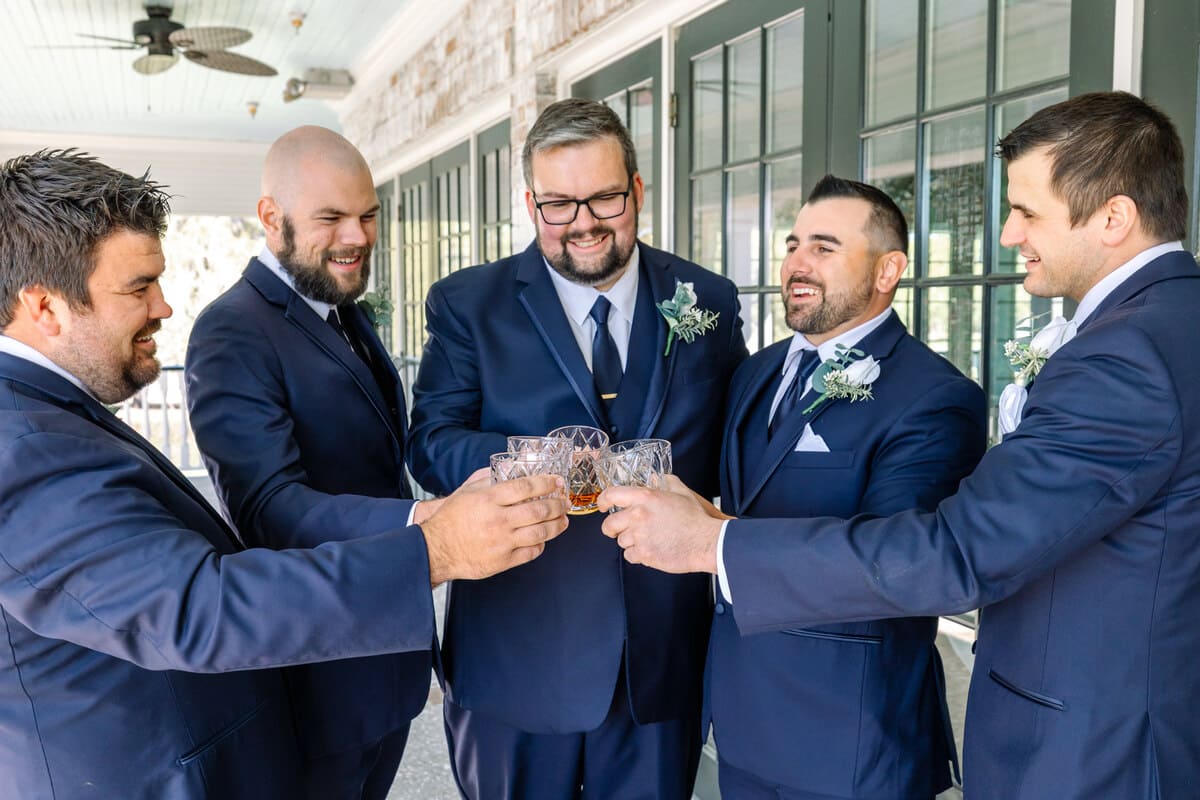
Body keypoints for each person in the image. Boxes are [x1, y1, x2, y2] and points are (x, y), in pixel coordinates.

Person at [600, 90, 1200, 799]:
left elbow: (958, 551)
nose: (1009, 235)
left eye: (1028, 212)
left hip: (1101, 748)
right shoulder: (1165, 324)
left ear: (1115, 217)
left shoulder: (1126, 353)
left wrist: (712, 543)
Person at [0, 149, 567, 800]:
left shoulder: (52, 409)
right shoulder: (20, 447)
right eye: (138, 287)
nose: (164, 308)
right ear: (44, 308)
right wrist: (433, 545)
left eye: (368, 215)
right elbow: (197, 602)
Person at [406, 98, 748, 798]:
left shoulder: (705, 298)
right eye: (559, 204)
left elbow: (736, 442)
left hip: (662, 657)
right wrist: (551, 467)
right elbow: (431, 443)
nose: (583, 222)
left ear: (638, 191)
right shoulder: (468, 303)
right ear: (532, 205)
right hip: (519, 647)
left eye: (604, 198)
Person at [699, 174, 986, 799]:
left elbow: (899, 564)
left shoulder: (935, 398)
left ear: (888, 270)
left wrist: (714, 539)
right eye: (793, 243)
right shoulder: (756, 372)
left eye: (824, 248)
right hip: (741, 721)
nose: (797, 263)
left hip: (853, 739)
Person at [185, 125, 435, 800]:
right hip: (320, 674)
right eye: (331, 218)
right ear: (271, 218)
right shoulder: (231, 329)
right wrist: (425, 523)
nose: (357, 236)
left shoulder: (342, 309)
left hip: (388, 656)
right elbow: (269, 506)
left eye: (369, 215)